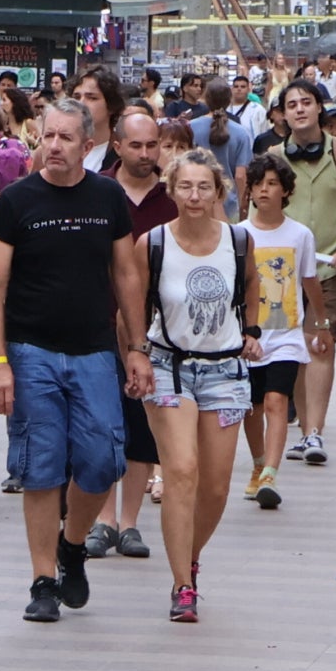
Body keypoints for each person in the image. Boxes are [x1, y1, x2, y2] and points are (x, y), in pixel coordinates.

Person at [0, 98, 148, 624]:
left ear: (89, 146)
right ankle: (43, 579)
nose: (53, 146)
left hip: (96, 351)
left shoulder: (108, 197)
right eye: (47, 136)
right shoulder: (15, 201)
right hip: (31, 353)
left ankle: (72, 544)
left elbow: (126, 275)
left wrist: (137, 349)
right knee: (40, 468)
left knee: (102, 462)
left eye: (65, 138)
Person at [141, 149, 262, 620]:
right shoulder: (152, 243)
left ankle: (188, 555)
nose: (194, 196)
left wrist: (251, 331)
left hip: (225, 369)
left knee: (214, 487)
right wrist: (135, 354)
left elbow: (251, 284)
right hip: (169, 365)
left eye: (204, 187)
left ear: (219, 192)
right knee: (182, 471)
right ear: (171, 190)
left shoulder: (237, 240)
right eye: (185, 187)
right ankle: (182, 585)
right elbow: (132, 306)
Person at [268, 78, 336, 470]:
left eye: (305, 102)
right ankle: (304, 427)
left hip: (330, 269)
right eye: (291, 104)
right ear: (281, 114)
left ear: (319, 109)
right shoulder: (275, 157)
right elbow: (259, 209)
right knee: (291, 347)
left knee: (318, 343)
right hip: (281, 271)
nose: (298, 109)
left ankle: (314, 431)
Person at [90, 109, 173, 560]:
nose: (145, 154)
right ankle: (102, 519)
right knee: (103, 422)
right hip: (99, 321)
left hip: (159, 329)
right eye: (136, 146)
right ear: (117, 146)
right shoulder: (98, 190)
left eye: (152, 145)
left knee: (142, 422)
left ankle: (130, 522)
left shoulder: (174, 192)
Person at [239, 154, 320, 512]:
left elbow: (309, 280)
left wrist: (320, 321)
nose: (265, 190)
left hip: (286, 336)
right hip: (249, 339)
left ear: (286, 190)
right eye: (258, 184)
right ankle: (258, 463)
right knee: (252, 408)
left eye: (272, 183)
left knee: (276, 401)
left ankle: (271, 473)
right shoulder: (239, 234)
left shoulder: (300, 234)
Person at [192, 80, 253, 212]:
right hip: (228, 205)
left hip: (194, 200)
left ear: (206, 99)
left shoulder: (190, 128)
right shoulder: (241, 133)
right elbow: (240, 176)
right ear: (229, 100)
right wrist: (243, 205)